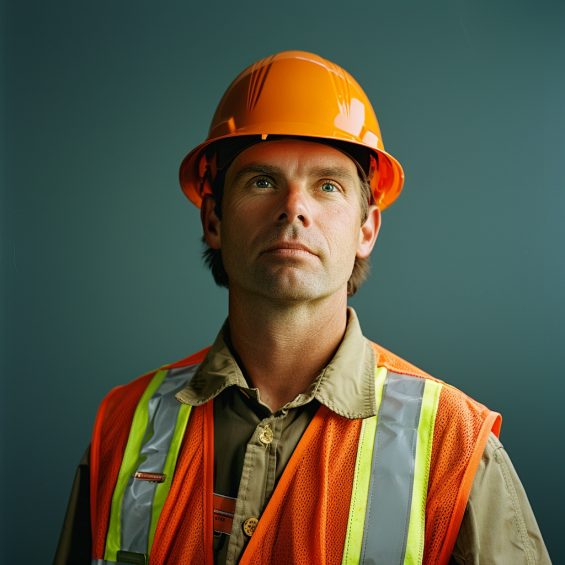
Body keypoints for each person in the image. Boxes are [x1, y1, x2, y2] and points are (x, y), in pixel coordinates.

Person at [54, 51, 550, 565]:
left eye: (328, 185)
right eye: (262, 181)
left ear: (366, 230)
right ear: (213, 220)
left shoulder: (455, 448)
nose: (294, 207)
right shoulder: (123, 428)